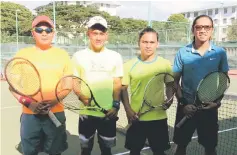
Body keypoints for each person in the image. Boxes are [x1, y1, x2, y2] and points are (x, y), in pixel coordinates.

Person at [9, 15, 72, 155]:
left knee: (55, 151)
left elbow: (68, 85)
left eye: (48, 30)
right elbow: (13, 86)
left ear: (53, 33)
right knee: (30, 151)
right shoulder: (22, 54)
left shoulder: (63, 55)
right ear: (33, 33)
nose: (44, 33)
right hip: (30, 115)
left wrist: (54, 101)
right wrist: (30, 104)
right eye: (39, 29)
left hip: (56, 112)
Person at [173, 15, 229, 155]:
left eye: (207, 27)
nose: (202, 30)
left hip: (209, 110)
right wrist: (183, 104)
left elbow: (223, 80)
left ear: (212, 30)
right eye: (199, 27)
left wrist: (216, 102)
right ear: (193, 30)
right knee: (181, 146)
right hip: (185, 108)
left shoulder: (220, 53)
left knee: (210, 148)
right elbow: (175, 82)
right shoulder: (182, 52)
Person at [72, 16, 123, 155]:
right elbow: (75, 81)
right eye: (95, 33)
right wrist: (81, 96)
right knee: (85, 150)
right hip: (86, 114)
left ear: (106, 35)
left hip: (108, 114)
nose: (98, 37)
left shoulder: (115, 56)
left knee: (106, 150)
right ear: (88, 33)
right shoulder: (78, 56)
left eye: (102, 33)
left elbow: (117, 83)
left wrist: (116, 105)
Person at [121, 27, 172, 155]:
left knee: (159, 152)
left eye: (152, 42)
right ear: (139, 42)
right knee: (134, 151)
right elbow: (123, 89)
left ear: (157, 44)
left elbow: (170, 85)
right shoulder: (128, 65)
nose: (148, 46)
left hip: (158, 117)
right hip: (136, 117)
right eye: (145, 42)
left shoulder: (165, 64)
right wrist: (128, 110)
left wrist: (170, 99)